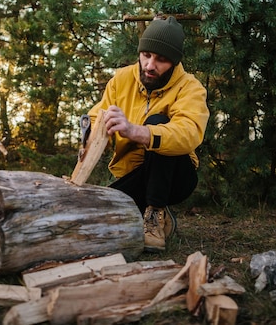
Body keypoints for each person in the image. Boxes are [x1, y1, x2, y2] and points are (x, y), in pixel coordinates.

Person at [88, 16, 209, 252]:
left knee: (159, 123)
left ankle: (154, 213)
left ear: (174, 62)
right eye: (146, 55)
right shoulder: (122, 79)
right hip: (136, 174)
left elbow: (188, 132)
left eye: (161, 60)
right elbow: (98, 115)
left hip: (177, 177)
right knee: (99, 212)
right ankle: (156, 215)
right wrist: (90, 132)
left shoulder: (190, 87)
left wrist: (136, 131)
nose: (150, 65)